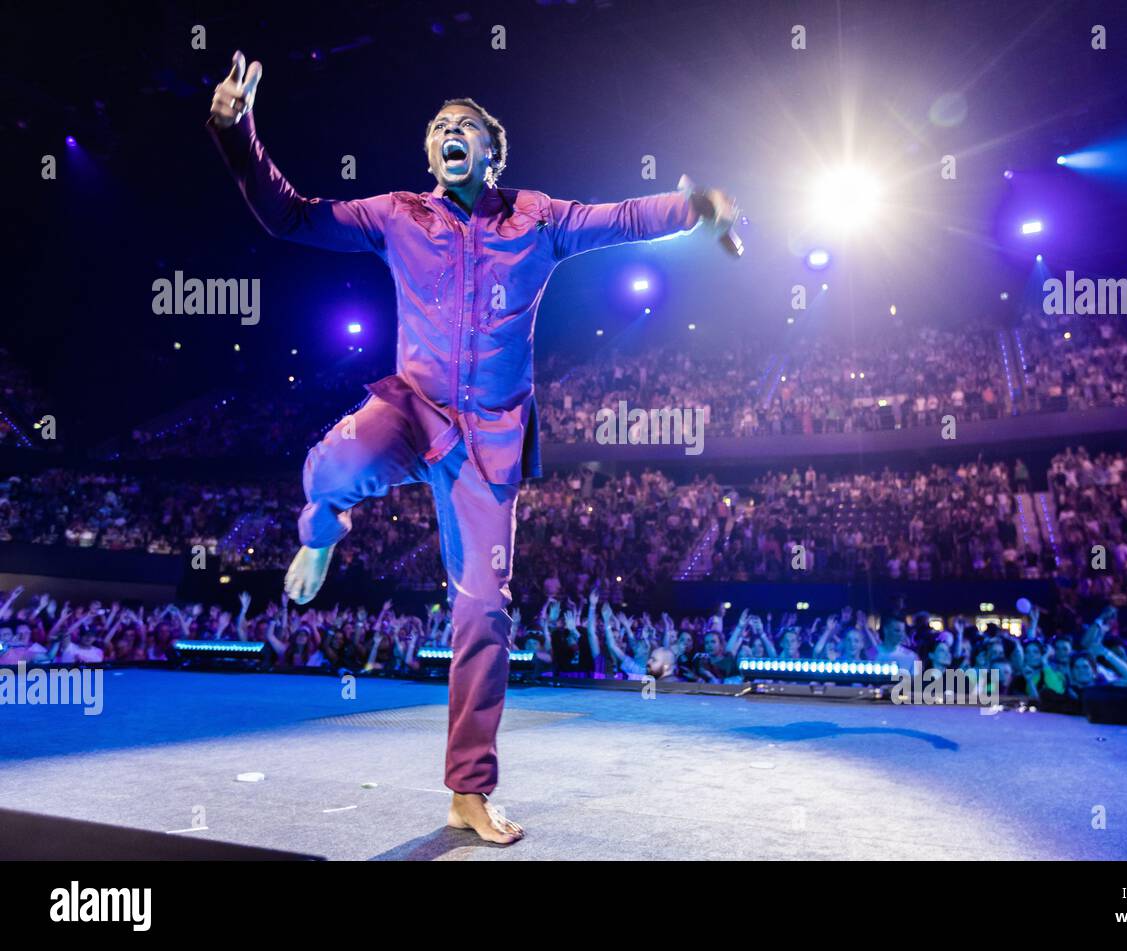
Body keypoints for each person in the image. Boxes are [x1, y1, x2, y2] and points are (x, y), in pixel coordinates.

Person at [208, 51, 738, 844]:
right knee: (340, 464)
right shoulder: (396, 214)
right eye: (438, 129)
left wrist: (695, 205)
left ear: (493, 151)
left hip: (487, 443)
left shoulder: (538, 218)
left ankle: (467, 791)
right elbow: (290, 215)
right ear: (430, 157)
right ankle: (322, 532)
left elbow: (624, 218)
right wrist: (236, 130)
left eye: (466, 128)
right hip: (413, 410)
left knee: (485, 609)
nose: (450, 134)